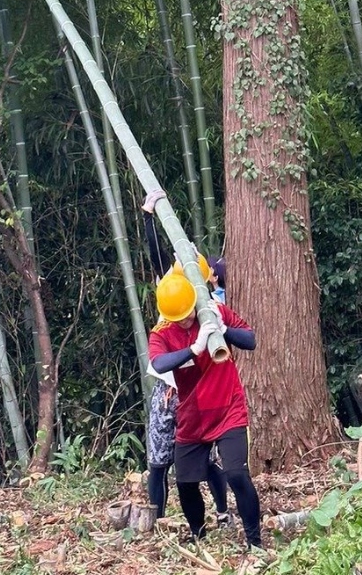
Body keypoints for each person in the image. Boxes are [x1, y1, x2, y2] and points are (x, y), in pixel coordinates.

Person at [148, 273, 263, 550]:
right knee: (185, 483)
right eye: (180, 318)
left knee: (236, 474)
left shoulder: (212, 311)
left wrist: (223, 329)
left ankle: (255, 542)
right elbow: (159, 363)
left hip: (227, 408)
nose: (187, 320)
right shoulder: (162, 332)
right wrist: (194, 348)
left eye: (189, 314)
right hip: (192, 416)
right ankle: (199, 537)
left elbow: (250, 340)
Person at [141, 189, 231, 525]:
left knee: (205, 460)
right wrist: (148, 216)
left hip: (197, 390)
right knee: (158, 461)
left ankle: (222, 513)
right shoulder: (172, 290)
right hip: (167, 389)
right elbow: (157, 257)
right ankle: (157, 520)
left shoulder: (209, 303)